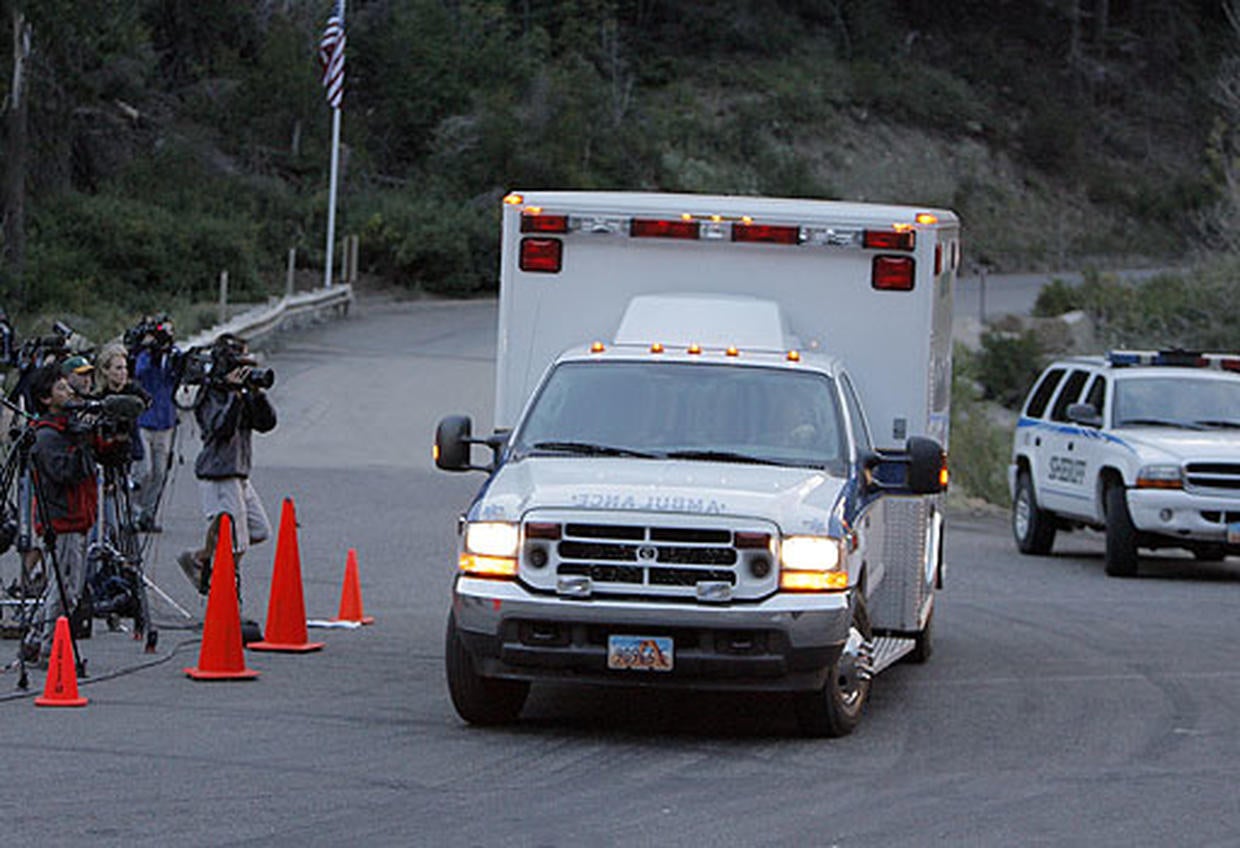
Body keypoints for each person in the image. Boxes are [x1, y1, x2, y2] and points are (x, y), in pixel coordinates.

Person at [178, 334, 276, 603]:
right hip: (219, 472)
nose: (245, 368)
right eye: (240, 362)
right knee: (235, 541)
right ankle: (225, 596)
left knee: (259, 531)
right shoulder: (211, 394)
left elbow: (266, 424)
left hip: (240, 471)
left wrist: (257, 394)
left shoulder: (242, 393)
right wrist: (233, 395)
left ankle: (199, 558)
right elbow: (220, 429)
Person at [22, 365, 99, 667]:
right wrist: (82, 443)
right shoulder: (47, 436)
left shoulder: (65, 428)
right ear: (45, 399)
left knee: (61, 586)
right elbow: (66, 472)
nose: (69, 392)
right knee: (67, 589)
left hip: (75, 517)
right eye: (61, 389)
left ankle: (34, 640)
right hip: (62, 521)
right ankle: (48, 646)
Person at [131, 316, 181, 532]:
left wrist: (169, 353)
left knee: (160, 472)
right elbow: (139, 372)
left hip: (165, 421)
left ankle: (148, 514)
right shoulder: (145, 355)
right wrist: (151, 352)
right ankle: (133, 511)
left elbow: (181, 374)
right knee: (144, 471)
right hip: (144, 419)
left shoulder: (173, 356)